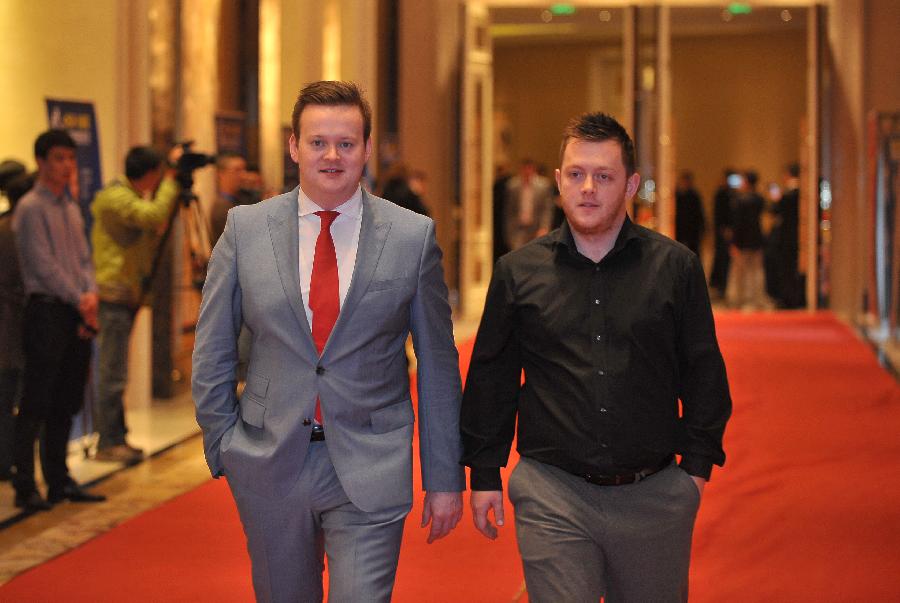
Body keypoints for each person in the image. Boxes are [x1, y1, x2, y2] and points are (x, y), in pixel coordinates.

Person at [192, 80, 464, 602]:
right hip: (269, 463)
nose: (333, 156)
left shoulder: (412, 236)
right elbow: (214, 347)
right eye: (318, 142)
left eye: (347, 143)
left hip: (371, 459)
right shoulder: (245, 230)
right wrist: (224, 443)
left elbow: (437, 363)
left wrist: (443, 474)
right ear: (294, 146)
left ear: (366, 148)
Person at [461, 112, 732, 602]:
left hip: (655, 495)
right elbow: (492, 379)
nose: (588, 188)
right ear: (559, 180)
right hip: (552, 490)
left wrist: (693, 474)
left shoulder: (675, 268)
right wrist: (484, 473)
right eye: (576, 174)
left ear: (630, 184)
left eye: (603, 176)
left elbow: (703, 372)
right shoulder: (518, 273)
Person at [11, 129, 106, 511]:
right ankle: (24, 485)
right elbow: (41, 264)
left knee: (65, 400)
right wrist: (78, 298)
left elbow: (84, 259)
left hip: (75, 310)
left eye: (70, 158)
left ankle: (59, 480)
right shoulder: (31, 207)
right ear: (41, 162)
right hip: (48, 310)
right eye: (59, 158)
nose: (67, 166)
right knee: (36, 400)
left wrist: (90, 294)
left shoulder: (69, 206)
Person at [90, 145, 181, 464]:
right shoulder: (116, 197)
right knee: (112, 371)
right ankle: (108, 441)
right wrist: (172, 183)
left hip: (126, 293)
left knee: (116, 370)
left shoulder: (128, 196)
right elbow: (153, 215)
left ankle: (116, 437)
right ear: (152, 173)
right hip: (114, 294)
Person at [0, 170, 34, 481]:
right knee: (10, 396)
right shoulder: (13, 229)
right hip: (13, 326)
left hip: (14, 326)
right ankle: (7, 460)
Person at [726, 170, 768, 310]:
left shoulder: (740, 201)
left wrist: (734, 242)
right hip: (757, 240)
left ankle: (739, 299)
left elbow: (738, 224)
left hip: (742, 241)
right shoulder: (759, 199)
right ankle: (755, 299)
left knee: (739, 273)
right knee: (756, 271)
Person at [503, 159, 555, 250]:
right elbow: (509, 211)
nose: (527, 172)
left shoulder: (543, 185)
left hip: (536, 227)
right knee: (517, 255)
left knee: (535, 254)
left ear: (533, 170)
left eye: (529, 169)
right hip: (518, 227)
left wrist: (544, 227)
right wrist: (509, 231)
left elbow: (546, 209)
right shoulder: (513, 186)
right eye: (524, 169)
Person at [209, 152, 249, 245]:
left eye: (244, 170)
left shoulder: (242, 199)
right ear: (221, 174)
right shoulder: (222, 207)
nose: (244, 175)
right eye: (237, 170)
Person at [709, 169, 736, 299]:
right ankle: (719, 286)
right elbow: (718, 214)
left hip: (728, 232)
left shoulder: (734, 195)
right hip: (721, 232)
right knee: (721, 258)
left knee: (727, 260)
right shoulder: (720, 194)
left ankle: (724, 287)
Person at [674, 169, 706, 257]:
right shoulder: (677, 195)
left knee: (694, 251)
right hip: (680, 228)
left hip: (692, 229)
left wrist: (702, 228)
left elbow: (699, 213)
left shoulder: (694, 196)